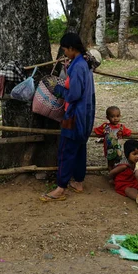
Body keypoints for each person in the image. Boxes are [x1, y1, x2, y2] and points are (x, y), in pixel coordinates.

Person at [40, 33, 95, 201]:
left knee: (66, 149)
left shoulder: (78, 66)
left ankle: (60, 188)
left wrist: (59, 89)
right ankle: (78, 182)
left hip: (75, 115)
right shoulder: (82, 64)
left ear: (72, 48)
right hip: (85, 114)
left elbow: (74, 94)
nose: (65, 53)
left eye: (65, 49)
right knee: (79, 148)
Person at [93, 106, 133, 171]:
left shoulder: (121, 127)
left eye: (117, 116)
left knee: (118, 164)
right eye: (112, 117)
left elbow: (129, 132)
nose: (115, 118)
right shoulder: (105, 126)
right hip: (109, 150)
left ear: (120, 116)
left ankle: (116, 176)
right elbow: (96, 130)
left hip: (118, 150)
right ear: (107, 117)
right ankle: (111, 176)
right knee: (110, 164)